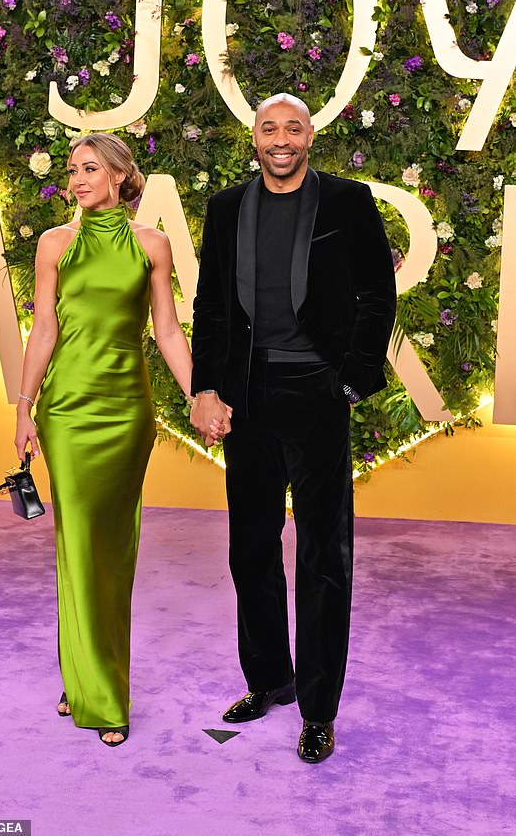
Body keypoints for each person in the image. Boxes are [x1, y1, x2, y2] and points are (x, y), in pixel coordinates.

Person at [190, 94, 396, 762]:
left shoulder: (347, 201)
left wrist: (352, 378)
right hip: (248, 395)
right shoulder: (225, 208)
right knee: (250, 547)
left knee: (322, 555)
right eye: (269, 128)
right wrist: (204, 386)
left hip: (317, 392)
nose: (281, 139)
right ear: (254, 137)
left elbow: (376, 292)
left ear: (311, 136)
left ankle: (318, 707)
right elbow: (211, 306)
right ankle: (269, 679)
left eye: (293, 128)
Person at [15, 133, 215, 747]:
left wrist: (195, 394)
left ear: (121, 176)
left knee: (113, 543)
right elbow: (44, 328)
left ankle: (85, 669)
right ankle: (99, 693)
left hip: (128, 411)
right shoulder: (55, 245)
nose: (76, 179)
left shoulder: (152, 246)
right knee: (75, 539)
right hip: (67, 410)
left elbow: (167, 332)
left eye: (89, 168)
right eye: (72, 170)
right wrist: (23, 406)